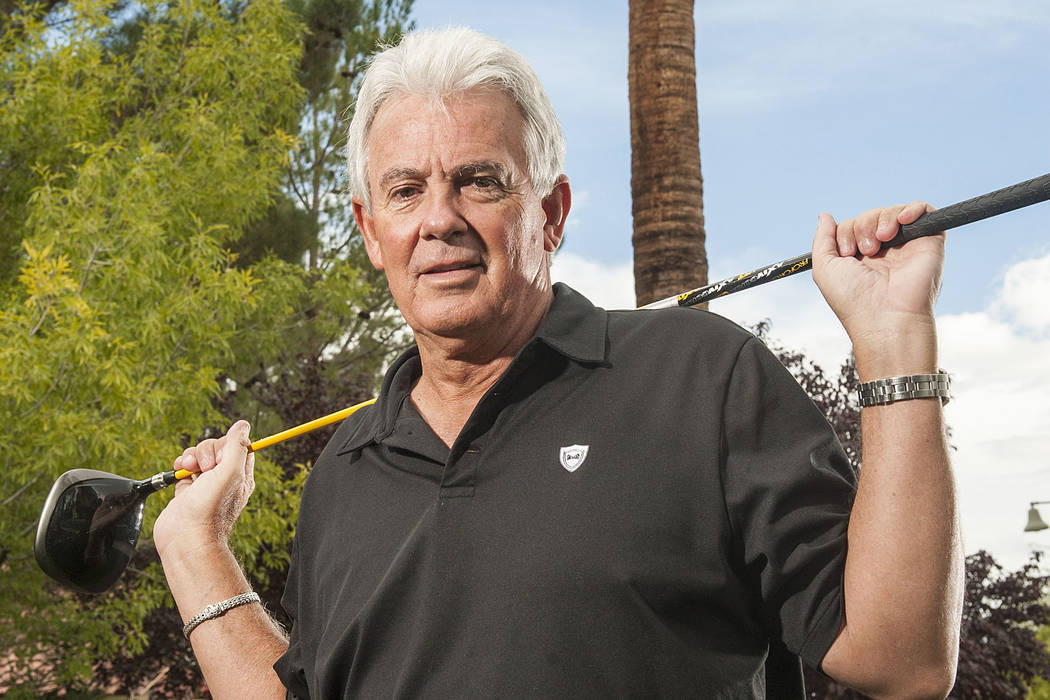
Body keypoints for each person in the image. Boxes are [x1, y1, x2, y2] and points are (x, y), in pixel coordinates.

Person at [153, 27, 963, 699]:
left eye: (479, 182)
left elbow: (901, 660)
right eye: (405, 191)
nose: (439, 220)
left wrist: (894, 344)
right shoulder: (346, 470)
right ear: (370, 231)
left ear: (551, 211)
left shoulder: (701, 378)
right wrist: (197, 554)